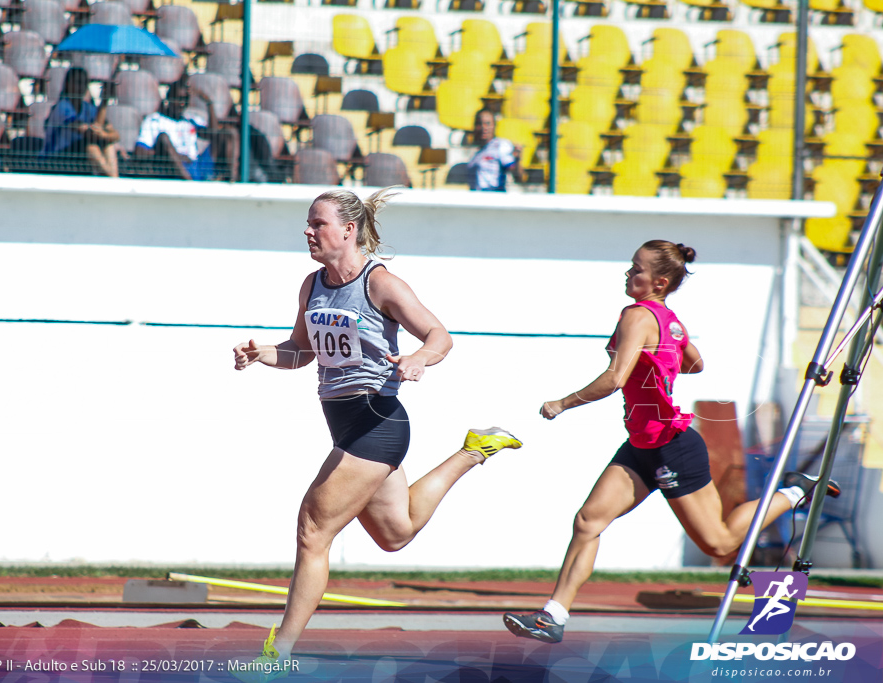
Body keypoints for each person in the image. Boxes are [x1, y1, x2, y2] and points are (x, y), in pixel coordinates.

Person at [231, 188, 523, 681]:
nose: (308, 231)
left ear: (348, 230)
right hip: (346, 425)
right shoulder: (312, 284)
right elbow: (301, 351)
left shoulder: (380, 283)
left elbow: (440, 337)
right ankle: (474, 450)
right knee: (396, 533)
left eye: (317, 224)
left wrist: (416, 359)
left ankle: (276, 656)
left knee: (312, 530)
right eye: (307, 223)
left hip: (377, 421)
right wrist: (263, 353)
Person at [503, 240, 840, 644]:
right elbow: (694, 363)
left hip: (672, 446)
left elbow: (614, 379)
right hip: (642, 444)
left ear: (659, 281)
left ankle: (793, 490)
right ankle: (553, 616)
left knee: (719, 543)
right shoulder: (669, 319)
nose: (628, 274)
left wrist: (563, 402)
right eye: (630, 267)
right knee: (588, 521)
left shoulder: (637, 316)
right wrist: (660, 358)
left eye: (636, 269)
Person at [40, 67, 120, 178]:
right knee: (91, 147)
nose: (81, 87)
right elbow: (89, 133)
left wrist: (104, 134)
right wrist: (104, 102)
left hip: (77, 154)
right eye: (77, 82)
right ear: (68, 84)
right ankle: (113, 180)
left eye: (84, 83)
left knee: (108, 144)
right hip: (55, 157)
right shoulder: (62, 107)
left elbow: (115, 135)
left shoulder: (88, 108)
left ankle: (114, 178)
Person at [134, 77, 214, 181]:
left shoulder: (190, 120)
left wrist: (210, 103)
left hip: (195, 166)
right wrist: (174, 155)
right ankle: (190, 184)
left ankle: (233, 183)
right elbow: (140, 152)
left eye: (185, 100)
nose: (182, 103)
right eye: (178, 99)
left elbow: (214, 134)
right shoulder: (154, 120)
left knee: (230, 134)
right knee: (163, 138)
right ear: (169, 100)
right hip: (171, 171)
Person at [466, 108, 522, 192]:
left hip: (493, 198)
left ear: (494, 126)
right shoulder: (475, 153)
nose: (483, 127)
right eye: (479, 123)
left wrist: (517, 160)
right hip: (476, 199)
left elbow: (516, 175)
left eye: (488, 124)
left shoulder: (500, 145)